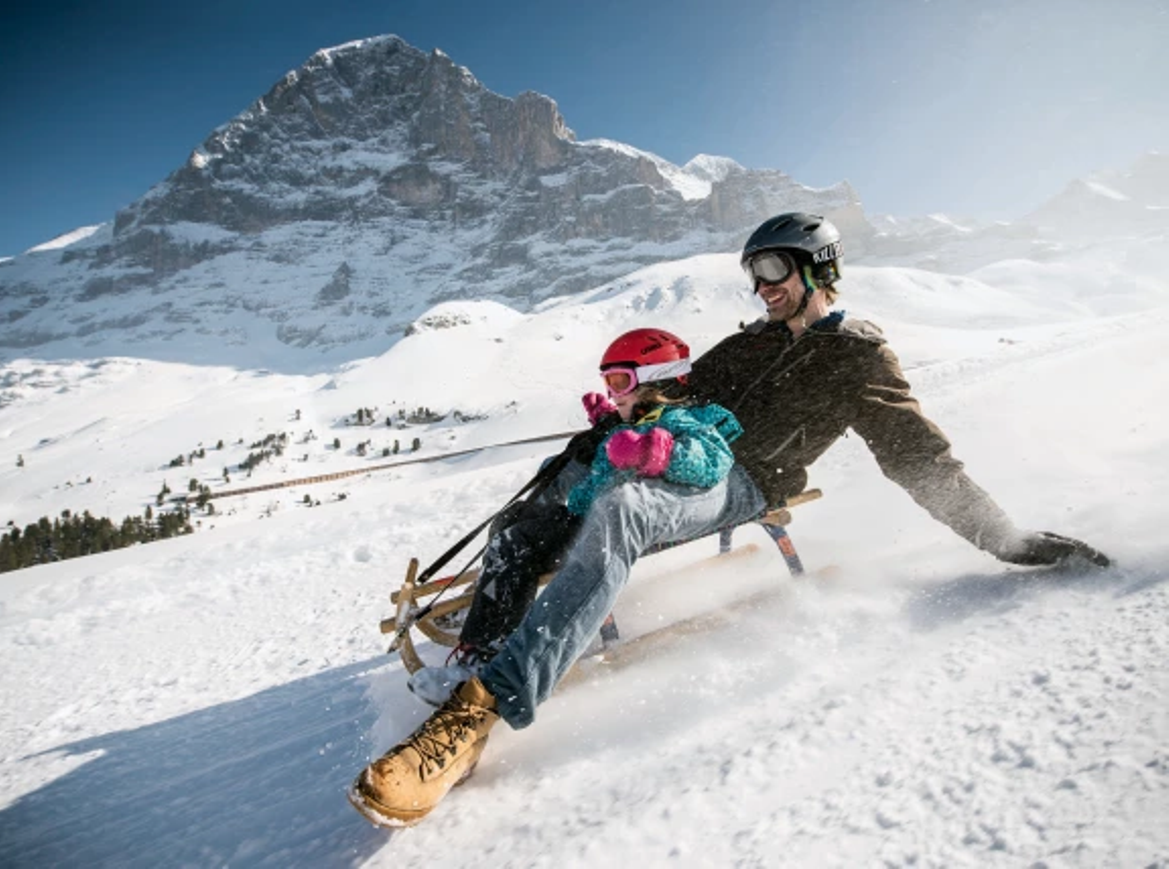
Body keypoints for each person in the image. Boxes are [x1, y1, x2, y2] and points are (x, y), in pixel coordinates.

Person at [348, 212, 1109, 828]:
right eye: (755, 274)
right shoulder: (750, 341)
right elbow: (674, 393)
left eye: (774, 269)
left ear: (818, 269)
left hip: (741, 480)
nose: (763, 286)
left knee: (621, 508)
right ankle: (480, 649)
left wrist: (1006, 540)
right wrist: (612, 425)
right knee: (532, 514)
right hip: (677, 449)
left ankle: (478, 712)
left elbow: (921, 460)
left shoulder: (859, 358)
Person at [349, 328, 744, 826]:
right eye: (608, 382)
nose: (613, 393)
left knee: (562, 527)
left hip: (637, 516)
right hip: (589, 512)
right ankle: (479, 650)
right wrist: (597, 442)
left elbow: (713, 462)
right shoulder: (625, 422)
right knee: (514, 533)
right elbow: (599, 473)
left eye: (620, 382)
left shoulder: (686, 420)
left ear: (656, 382)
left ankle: (494, 693)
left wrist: (657, 452)